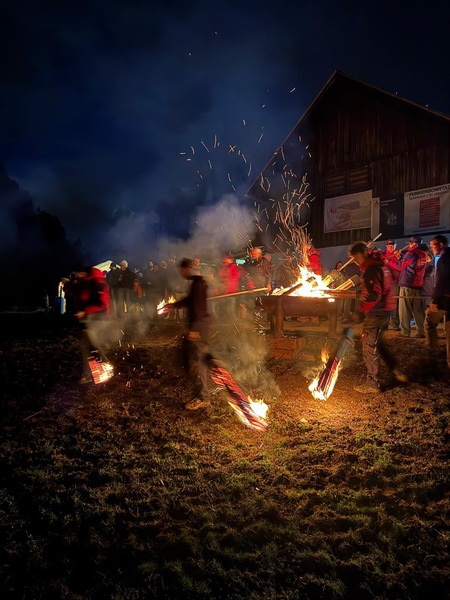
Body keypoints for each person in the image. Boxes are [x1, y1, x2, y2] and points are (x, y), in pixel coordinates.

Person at [349, 242, 407, 394]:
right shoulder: (380, 264)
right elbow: (394, 276)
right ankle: (396, 370)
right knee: (377, 344)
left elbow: (374, 295)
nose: (355, 261)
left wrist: (360, 309)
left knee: (369, 345)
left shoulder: (372, 269)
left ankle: (372, 383)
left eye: (356, 257)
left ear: (364, 253)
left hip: (376, 312)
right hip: (385, 310)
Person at [165, 258, 212, 410]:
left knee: (200, 361)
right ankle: (200, 387)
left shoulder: (198, 284)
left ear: (187, 269)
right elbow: (189, 301)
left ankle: (204, 397)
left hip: (200, 328)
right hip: (199, 327)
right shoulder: (196, 282)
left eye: (182, 271)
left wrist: (195, 329)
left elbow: (198, 307)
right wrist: (174, 305)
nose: (182, 274)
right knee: (191, 357)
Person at [72, 266, 113, 384]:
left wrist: (84, 311)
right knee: (86, 345)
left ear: (85, 273)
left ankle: (106, 365)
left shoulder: (97, 282)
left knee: (91, 341)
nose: (78, 276)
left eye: (80, 273)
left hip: (99, 317)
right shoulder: (85, 282)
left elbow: (100, 303)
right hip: (89, 318)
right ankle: (89, 373)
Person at [425, 235, 450, 375]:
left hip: (444, 300)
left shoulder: (443, 259)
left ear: (440, 244)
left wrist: (435, 301)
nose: (431, 248)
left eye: (433, 245)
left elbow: (441, 281)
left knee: (429, 320)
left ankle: (432, 350)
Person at [397, 235, 428, 338]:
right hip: (418, 284)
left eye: (410, 243)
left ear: (414, 244)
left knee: (404, 310)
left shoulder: (411, 253)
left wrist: (397, 257)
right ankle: (421, 332)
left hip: (407, 283)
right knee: (418, 310)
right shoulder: (424, 253)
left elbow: (400, 266)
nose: (409, 245)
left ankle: (405, 333)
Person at [382, 239, 401, 330]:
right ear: (386, 246)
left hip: (394, 283)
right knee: (385, 303)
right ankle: (385, 323)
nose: (390, 247)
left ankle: (395, 322)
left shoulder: (398, 255)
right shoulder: (383, 255)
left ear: (395, 246)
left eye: (392, 246)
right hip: (385, 282)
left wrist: (389, 262)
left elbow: (399, 267)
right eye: (389, 246)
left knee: (394, 303)